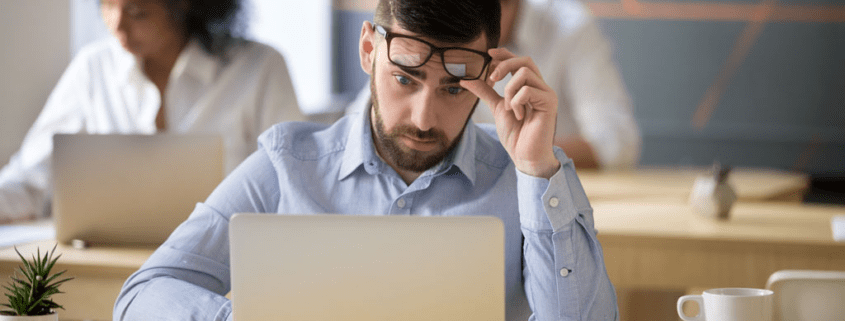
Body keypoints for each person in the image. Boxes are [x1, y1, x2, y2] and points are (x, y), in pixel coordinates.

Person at [114, 0, 618, 320]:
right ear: (368, 52)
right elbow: (145, 294)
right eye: (405, 79)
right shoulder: (286, 165)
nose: (425, 118)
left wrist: (536, 169)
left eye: (453, 89)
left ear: (490, 77)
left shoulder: (533, 180)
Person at [0, 0, 304, 223]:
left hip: (226, 267)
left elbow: (299, 188)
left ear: (184, 6)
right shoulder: (93, 68)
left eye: (137, 12)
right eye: (106, 6)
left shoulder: (259, 68)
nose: (116, 24)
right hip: (103, 265)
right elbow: (30, 179)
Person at [346, 0, 641, 170]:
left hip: (550, 188)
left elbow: (617, 142)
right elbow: (358, 124)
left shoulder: (570, 27)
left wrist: (523, 153)